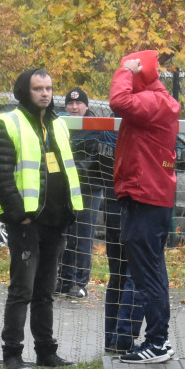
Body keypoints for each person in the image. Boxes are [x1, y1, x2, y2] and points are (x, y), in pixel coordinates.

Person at [0, 68, 81, 369]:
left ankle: (46, 352)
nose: (45, 93)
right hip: (26, 223)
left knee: (45, 292)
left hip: (56, 221)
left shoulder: (59, 125)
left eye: (49, 88)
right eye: (38, 88)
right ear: (24, 91)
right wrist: (19, 216)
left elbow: (67, 171)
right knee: (21, 291)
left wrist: (70, 212)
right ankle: (12, 353)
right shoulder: (9, 123)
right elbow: (0, 178)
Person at [109, 50, 179, 364]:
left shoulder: (153, 102)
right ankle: (157, 341)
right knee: (150, 271)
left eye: (133, 71)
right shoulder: (156, 101)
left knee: (148, 274)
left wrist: (124, 70)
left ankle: (157, 342)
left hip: (145, 196)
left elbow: (118, 102)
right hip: (145, 196)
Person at [56, 87, 104, 299]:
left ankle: (80, 282)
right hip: (65, 189)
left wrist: (70, 171)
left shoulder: (96, 128)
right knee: (65, 236)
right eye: (70, 103)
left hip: (88, 189)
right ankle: (64, 280)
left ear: (86, 106)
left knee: (83, 236)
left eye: (78, 104)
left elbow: (94, 161)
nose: (74, 107)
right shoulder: (60, 126)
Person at [99, 129, 142, 353]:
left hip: (113, 207)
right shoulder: (139, 132)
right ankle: (124, 337)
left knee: (117, 276)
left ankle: (112, 338)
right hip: (132, 208)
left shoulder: (106, 133)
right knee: (136, 275)